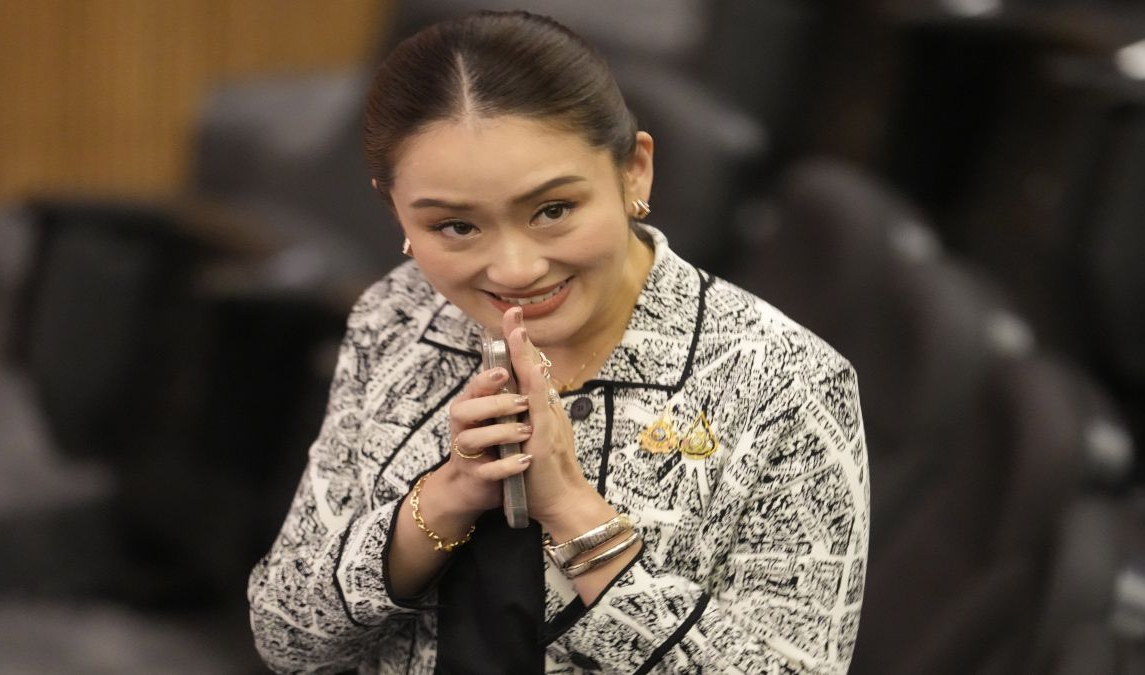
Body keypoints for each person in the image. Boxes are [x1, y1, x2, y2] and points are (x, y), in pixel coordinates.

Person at [248, 10, 869, 674]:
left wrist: (573, 513)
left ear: (635, 172)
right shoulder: (398, 316)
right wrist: (444, 499)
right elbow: (287, 635)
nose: (515, 269)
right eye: (456, 227)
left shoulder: (783, 379)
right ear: (395, 209)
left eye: (552, 210)